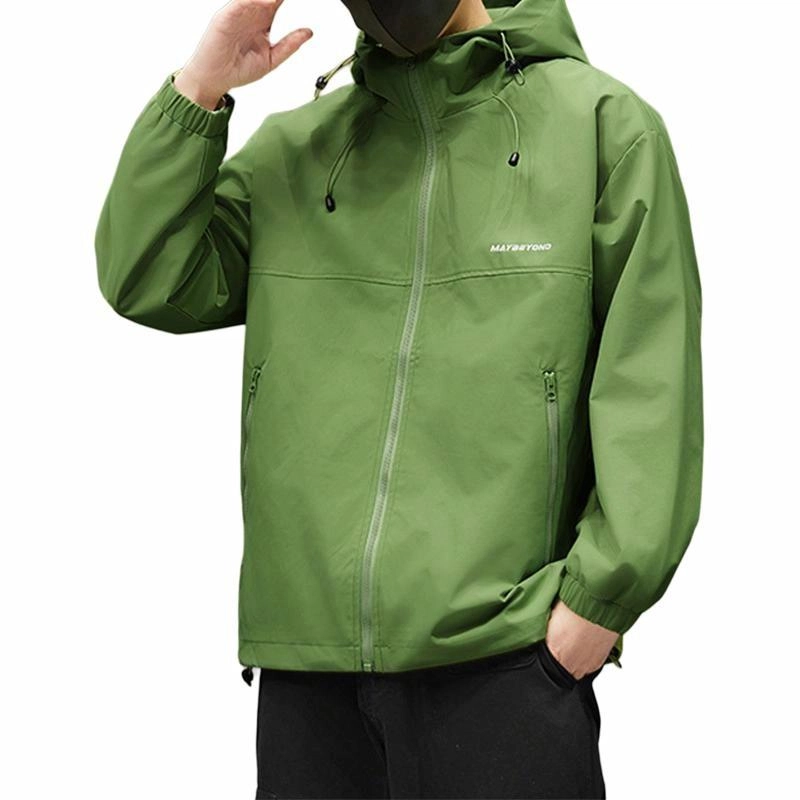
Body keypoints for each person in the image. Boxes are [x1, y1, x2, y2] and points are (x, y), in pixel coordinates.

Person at [94, 0, 704, 797]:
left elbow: (649, 380)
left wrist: (595, 608)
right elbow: (147, 275)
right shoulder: (301, 149)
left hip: (506, 664)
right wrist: (201, 86)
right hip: (309, 678)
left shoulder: (601, 128)